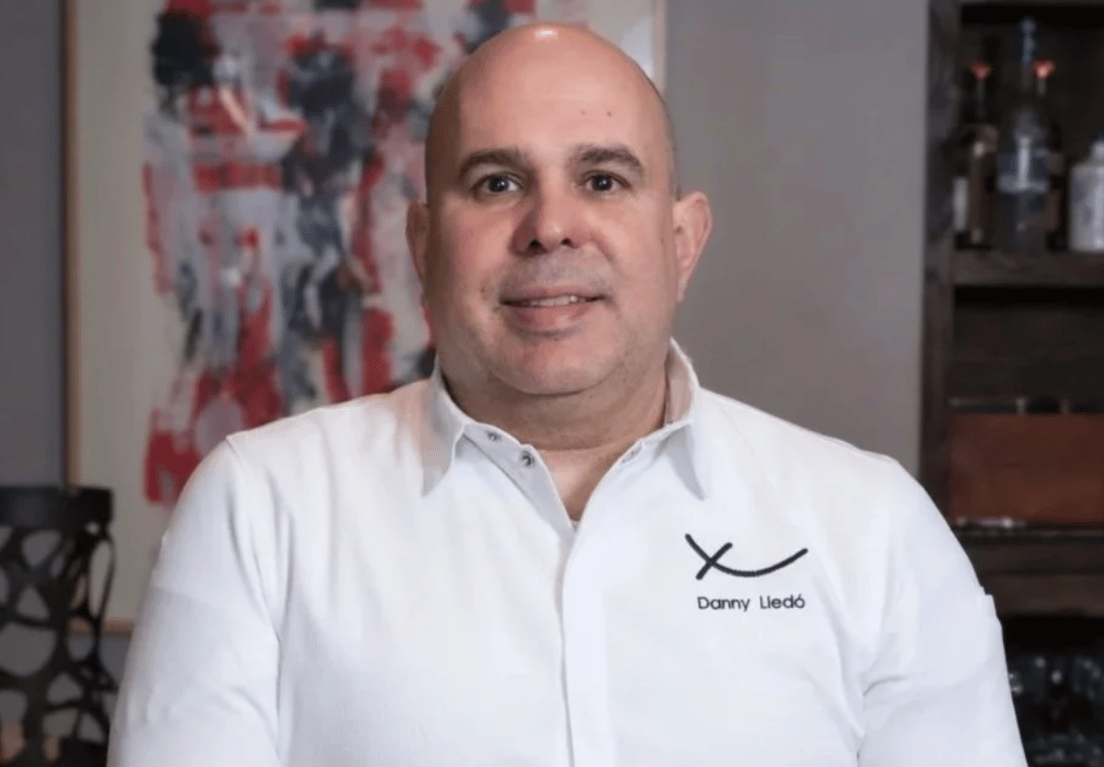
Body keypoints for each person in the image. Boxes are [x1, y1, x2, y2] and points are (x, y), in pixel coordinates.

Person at [107, 23, 1029, 767]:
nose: (550, 226)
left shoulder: (875, 530)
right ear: (424, 246)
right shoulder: (259, 511)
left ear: (682, 242)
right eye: (497, 181)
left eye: (602, 178)